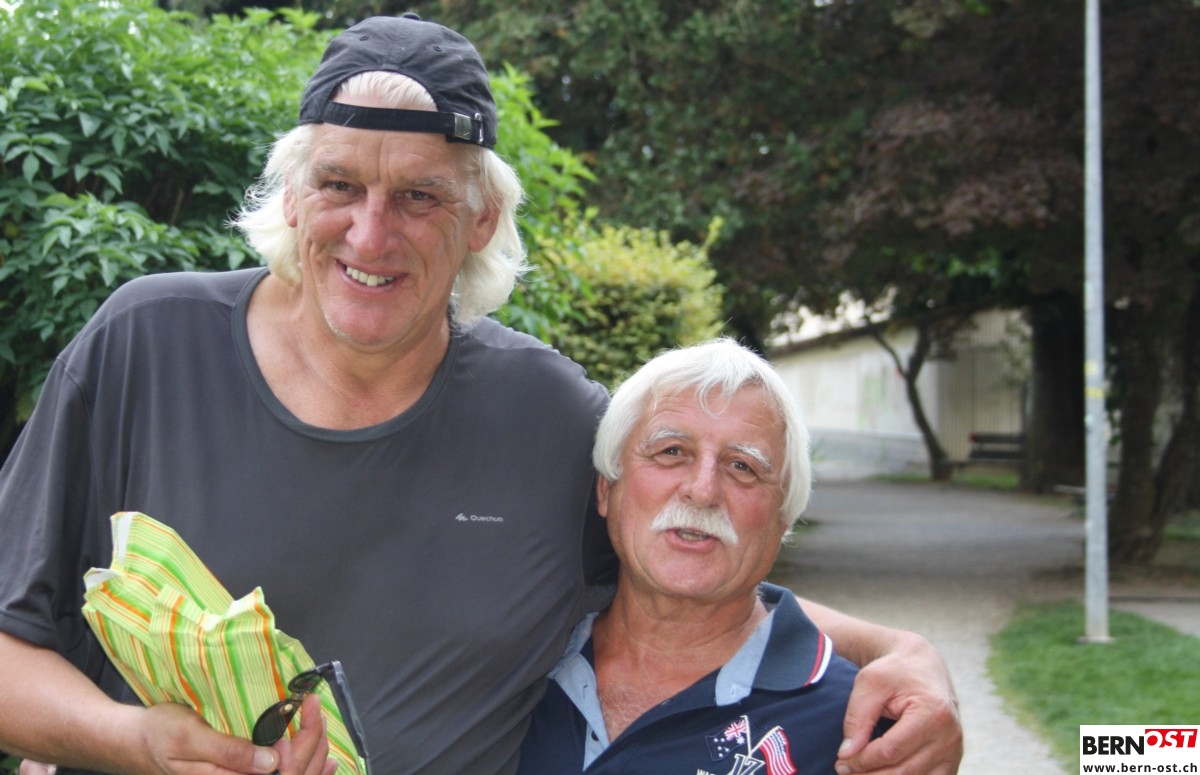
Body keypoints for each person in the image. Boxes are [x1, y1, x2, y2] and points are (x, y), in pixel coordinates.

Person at [0, 13, 961, 775]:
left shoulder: (548, 416)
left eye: (420, 196)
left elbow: (686, 555)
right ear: (291, 194)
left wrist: (898, 650)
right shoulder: (146, 345)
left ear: (483, 218)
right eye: (339, 184)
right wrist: (129, 740)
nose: (371, 235)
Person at [517, 339, 888, 774]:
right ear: (606, 488)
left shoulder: (855, 726)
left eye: (742, 466)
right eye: (671, 451)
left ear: (783, 519)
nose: (703, 490)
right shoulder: (515, 663)